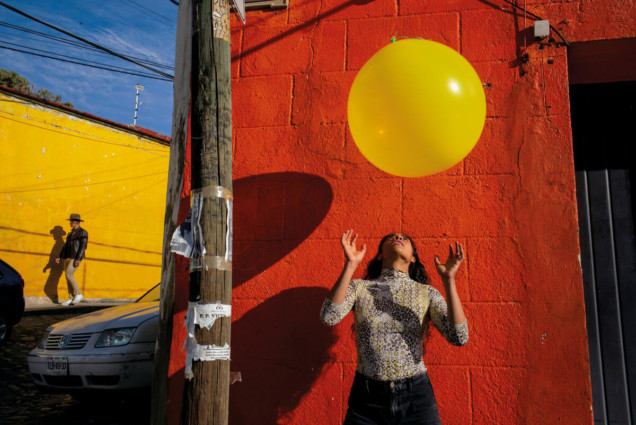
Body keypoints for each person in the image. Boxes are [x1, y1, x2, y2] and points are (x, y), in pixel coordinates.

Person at [320, 230, 469, 425]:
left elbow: (459, 337)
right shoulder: (359, 288)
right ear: (379, 255)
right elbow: (329, 317)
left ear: (413, 258)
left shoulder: (427, 293)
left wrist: (449, 280)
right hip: (367, 399)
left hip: (416, 398)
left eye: (405, 238)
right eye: (392, 237)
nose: (398, 238)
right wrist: (350, 265)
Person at [55, 213, 88, 305]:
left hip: (75, 257)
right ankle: (71, 297)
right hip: (67, 257)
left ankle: (78, 294)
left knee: (69, 274)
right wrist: (60, 256)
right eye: (70, 221)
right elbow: (65, 246)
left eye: (72, 221)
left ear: (77, 222)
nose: (70, 223)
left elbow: (83, 246)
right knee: (67, 277)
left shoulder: (83, 232)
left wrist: (78, 259)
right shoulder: (70, 234)